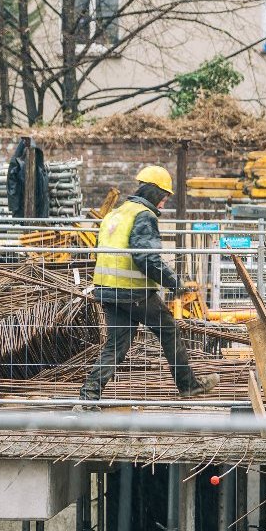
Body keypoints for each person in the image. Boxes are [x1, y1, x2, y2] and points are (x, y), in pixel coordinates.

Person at [79, 166, 217, 404]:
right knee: (169, 330)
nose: (165, 201)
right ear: (154, 192)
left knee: (116, 345)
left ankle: (88, 398)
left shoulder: (117, 212)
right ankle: (189, 386)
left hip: (107, 290)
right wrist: (175, 283)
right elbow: (146, 257)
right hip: (134, 292)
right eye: (165, 195)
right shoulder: (144, 215)